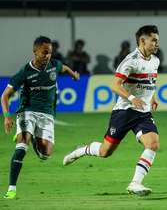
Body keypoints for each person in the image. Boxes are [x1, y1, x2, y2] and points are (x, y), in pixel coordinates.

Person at [63, 25, 160, 196]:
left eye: (157, 40)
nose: (156, 43)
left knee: (153, 144)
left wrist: (152, 97)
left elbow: (150, 81)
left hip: (143, 113)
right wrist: (131, 99)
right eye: (154, 40)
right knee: (105, 152)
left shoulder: (155, 60)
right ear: (142, 41)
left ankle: (135, 183)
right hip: (124, 112)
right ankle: (81, 150)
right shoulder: (130, 61)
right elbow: (114, 85)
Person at [1, 36, 79, 199]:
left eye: (50, 53)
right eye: (44, 53)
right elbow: (5, 96)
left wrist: (74, 75)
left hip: (47, 114)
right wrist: (7, 116)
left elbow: (63, 67)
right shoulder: (25, 72)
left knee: (45, 155)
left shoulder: (53, 65)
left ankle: (35, 138)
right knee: (22, 147)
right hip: (27, 111)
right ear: (35, 52)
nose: (47, 56)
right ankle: (11, 188)